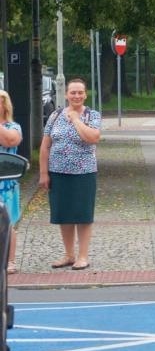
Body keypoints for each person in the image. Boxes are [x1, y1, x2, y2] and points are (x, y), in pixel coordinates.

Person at [39, 77, 102, 271]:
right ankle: (68, 254)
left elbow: (92, 138)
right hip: (58, 172)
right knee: (64, 214)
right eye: (72, 92)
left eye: (80, 92)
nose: (76, 96)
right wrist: (44, 173)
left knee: (83, 214)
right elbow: (45, 145)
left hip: (84, 172)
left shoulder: (92, 115)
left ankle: (83, 256)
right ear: (66, 94)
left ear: (85, 94)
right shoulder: (55, 115)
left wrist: (75, 119)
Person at [0, 90, 23, 274]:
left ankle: (10, 260)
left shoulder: (13, 127)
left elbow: (9, 141)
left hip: (5, 182)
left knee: (7, 222)